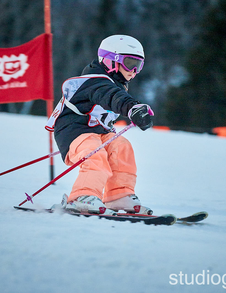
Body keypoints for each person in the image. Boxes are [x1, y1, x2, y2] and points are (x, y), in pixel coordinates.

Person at [46, 35, 153, 215]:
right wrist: (132, 107)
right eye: (130, 63)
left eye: (139, 65)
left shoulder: (115, 84)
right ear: (111, 60)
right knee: (95, 152)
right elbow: (110, 96)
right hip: (73, 131)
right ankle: (82, 196)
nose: (134, 70)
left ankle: (118, 195)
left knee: (122, 146)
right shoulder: (94, 81)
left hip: (97, 132)